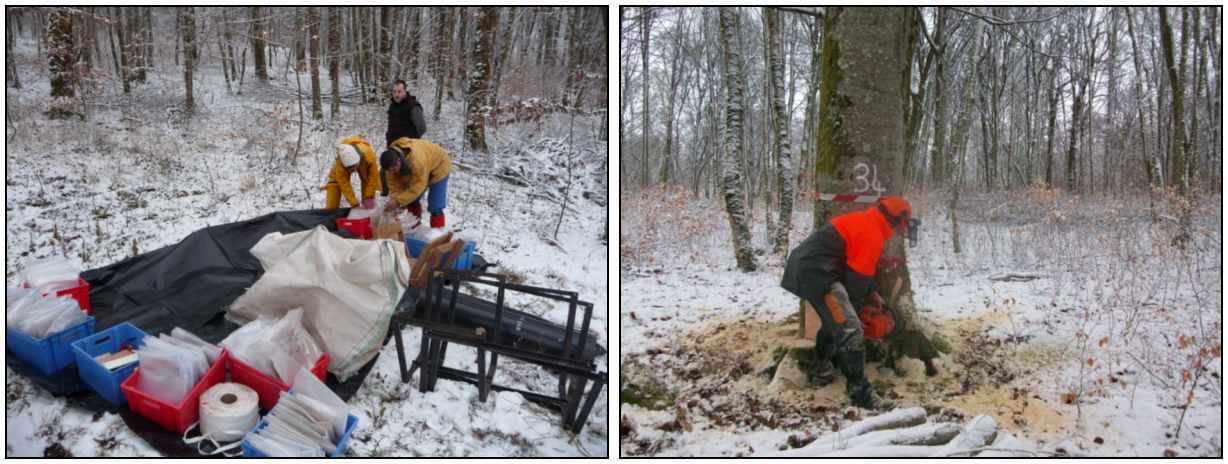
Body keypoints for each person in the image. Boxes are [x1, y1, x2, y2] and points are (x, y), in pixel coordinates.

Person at [780, 197, 918, 411]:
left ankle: (820, 369)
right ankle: (860, 394)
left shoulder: (867, 222)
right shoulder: (872, 233)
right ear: (897, 219)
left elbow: (858, 263)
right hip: (819, 274)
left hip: (810, 268)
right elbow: (855, 285)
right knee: (850, 328)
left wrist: (871, 291)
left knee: (834, 320)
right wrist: (855, 313)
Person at [381, 137, 452, 229]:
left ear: (399, 160)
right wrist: (395, 200)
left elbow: (417, 187)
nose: (391, 173)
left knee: (435, 205)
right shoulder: (391, 163)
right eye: (389, 171)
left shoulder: (417, 161)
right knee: (411, 200)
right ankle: (415, 229)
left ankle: (437, 236)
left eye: (393, 170)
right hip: (420, 170)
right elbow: (394, 185)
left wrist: (398, 201)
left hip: (439, 167)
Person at [320, 137, 382, 210]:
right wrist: (354, 204)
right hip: (344, 165)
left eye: (355, 166)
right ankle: (330, 214)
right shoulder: (341, 164)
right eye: (351, 168)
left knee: (368, 182)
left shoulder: (369, 155)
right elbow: (344, 185)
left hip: (364, 160)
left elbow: (373, 177)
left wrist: (369, 196)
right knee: (333, 184)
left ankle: (369, 213)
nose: (354, 169)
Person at [385, 79, 426, 148]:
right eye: (394, 92)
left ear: (405, 91)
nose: (396, 94)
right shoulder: (393, 105)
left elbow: (421, 127)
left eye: (399, 92)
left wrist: (412, 140)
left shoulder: (413, 106)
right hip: (393, 147)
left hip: (408, 147)